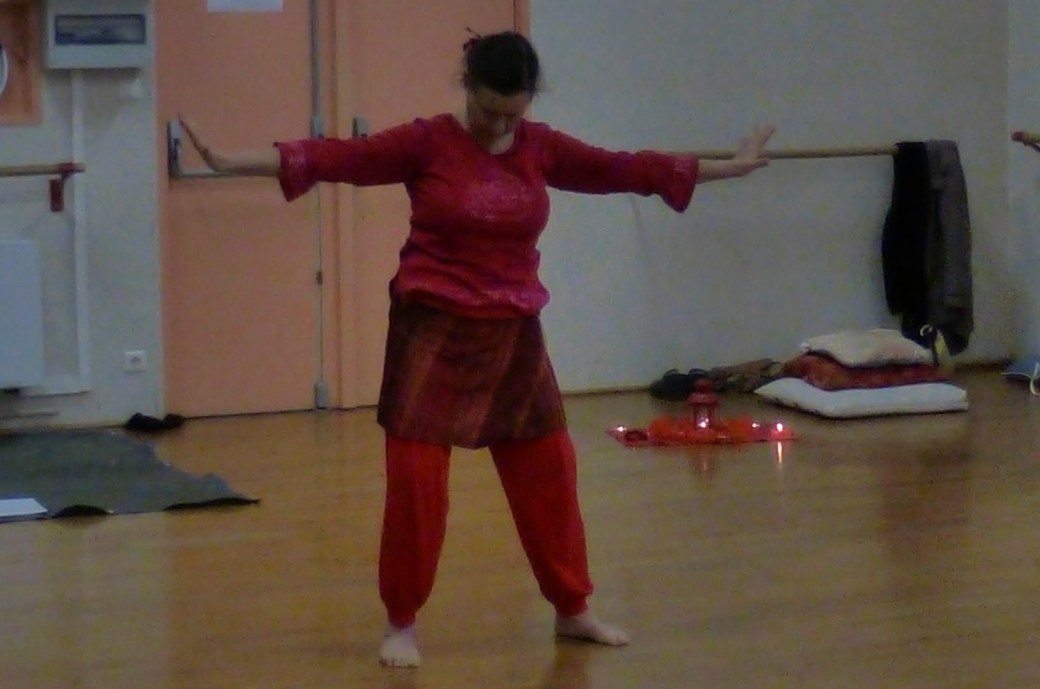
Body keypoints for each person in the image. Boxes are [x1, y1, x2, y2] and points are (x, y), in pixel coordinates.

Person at [180, 30, 774, 668]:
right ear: (467, 88)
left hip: (512, 334)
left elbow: (627, 168)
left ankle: (573, 609)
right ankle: (401, 623)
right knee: (416, 486)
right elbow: (336, 157)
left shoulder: (540, 148)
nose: (499, 127)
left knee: (551, 473)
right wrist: (228, 161)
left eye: (512, 114)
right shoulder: (427, 142)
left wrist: (730, 166)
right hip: (431, 329)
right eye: (488, 111)